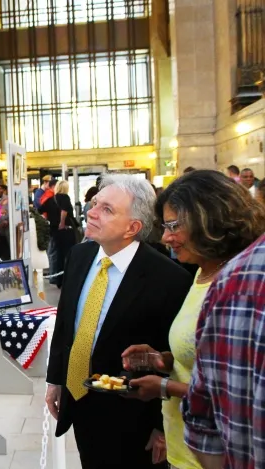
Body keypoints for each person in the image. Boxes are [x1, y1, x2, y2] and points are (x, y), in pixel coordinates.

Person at [45, 174, 192, 469]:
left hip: (133, 418)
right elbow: (65, 324)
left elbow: (174, 357)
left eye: (107, 209)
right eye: (95, 203)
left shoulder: (168, 277)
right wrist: (56, 380)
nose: (91, 212)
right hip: (80, 400)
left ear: (132, 228)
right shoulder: (80, 254)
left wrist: (161, 427)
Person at [122, 170, 265, 469]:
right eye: (163, 226)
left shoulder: (240, 285)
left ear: (210, 219)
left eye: (174, 226)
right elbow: (210, 361)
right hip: (184, 447)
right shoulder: (201, 271)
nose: (165, 237)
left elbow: (238, 396)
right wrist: (164, 360)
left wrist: (164, 388)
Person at [181, 233, 265, 469]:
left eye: (175, 225)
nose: (167, 236)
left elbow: (203, 420)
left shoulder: (235, 276)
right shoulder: (232, 277)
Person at [39, 180, 77, 287]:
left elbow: (40, 210)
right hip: (65, 230)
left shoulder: (50, 199)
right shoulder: (65, 197)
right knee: (68, 254)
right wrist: (62, 222)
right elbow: (64, 210)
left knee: (57, 255)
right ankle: (67, 279)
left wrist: (48, 221)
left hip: (54, 231)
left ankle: (58, 280)